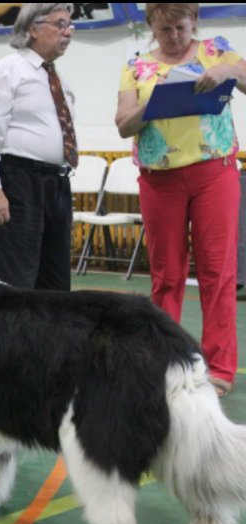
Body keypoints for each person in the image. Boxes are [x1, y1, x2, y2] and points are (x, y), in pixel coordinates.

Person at [116, 2, 246, 397]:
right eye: (164, 29)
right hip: (160, 180)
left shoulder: (216, 50)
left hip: (214, 174)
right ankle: (164, 362)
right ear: (151, 27)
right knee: (167, 275)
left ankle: (219, 368)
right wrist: (152, 104)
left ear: (194, 23)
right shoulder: (136, 67)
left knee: (217, 272)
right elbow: (123, 125)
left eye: (181, 28)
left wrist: (229, 72)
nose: (173, 36)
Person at [0, 3, 77, 291]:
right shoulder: (9, 69)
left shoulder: (54, 77)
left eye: (70, 25)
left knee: (55, 284)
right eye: (60, 24)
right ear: (33, 29)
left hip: (56, 184)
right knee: (14, 281)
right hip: (18, 182)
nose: (68, 32)